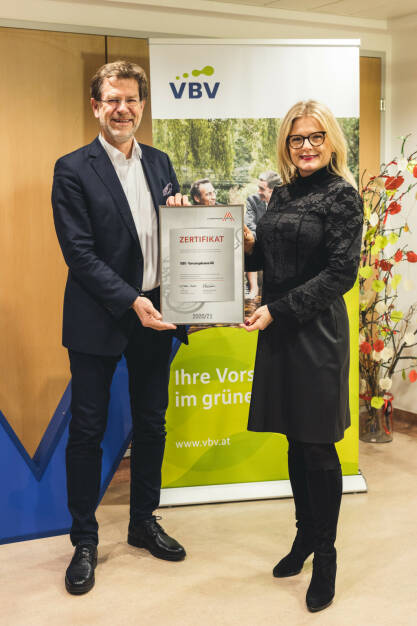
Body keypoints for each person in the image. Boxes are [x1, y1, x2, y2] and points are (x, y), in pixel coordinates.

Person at [52, 60, 190, 595]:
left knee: (152, 424)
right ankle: (84, 540)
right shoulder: (72, 168)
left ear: (142, 106)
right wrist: (131, 300)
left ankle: (142, 523)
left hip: (155, 314)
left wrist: (184, 214)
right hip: (100, 317)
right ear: (96, 106)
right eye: (112, 99)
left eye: (131, 100)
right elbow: (79, 253)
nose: (122, 109)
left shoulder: (160, 162)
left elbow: (171, 234)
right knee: (87, 431)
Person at [242, 100, 363, 613]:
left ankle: (327, 556)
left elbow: (341, 273)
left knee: (317, 447)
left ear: (330, 141)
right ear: (286, 146)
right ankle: (304, 537)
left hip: (315, 332)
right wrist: (236, 238)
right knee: (295, 439)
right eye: (297, 139)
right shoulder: (283, 192)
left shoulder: (342, 195)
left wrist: (276, 309)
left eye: (315, 137)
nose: (307, 146)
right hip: (280, 331)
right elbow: (267, 257)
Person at [245, 171, 281, 299]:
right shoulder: (252, 200)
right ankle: (254, 288)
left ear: (273, 190)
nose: (258, 191)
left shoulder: (287, 202)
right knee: (249, 241)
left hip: (279, 245)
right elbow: (249, 225)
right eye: (258, 188)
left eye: (262, 189)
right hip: (259, 240)